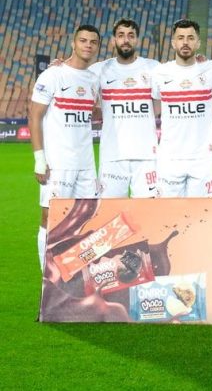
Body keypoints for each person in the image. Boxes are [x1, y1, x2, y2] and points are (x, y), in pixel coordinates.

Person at [29, 24, 101, 269]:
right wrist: (40, 159)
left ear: (97, 47)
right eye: (83, 40)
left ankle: (76, 273)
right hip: (58, 163)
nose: (88, 45)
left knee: (86, 219)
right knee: (50, 218)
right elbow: (34, 116)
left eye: (93, 42)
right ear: (73, 43)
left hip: (86, 164)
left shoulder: (93, 79)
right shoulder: (53, 75)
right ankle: (47, 276)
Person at [90, 18, 160, 198]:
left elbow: (160, 104)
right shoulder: (99, 70)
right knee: (110, 211)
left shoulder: (154, 68)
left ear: (137, 40)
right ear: (113, 40)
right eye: (121, 35)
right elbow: (73, 75)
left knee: (149, 209)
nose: (126, 40)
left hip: (146, 156)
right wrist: (61, 65)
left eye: (131, 35)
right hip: (112, 156)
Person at [151, 19, 212, 197]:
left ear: (198, 43)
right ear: (173, 43)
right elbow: (155, 107)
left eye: (190, 38)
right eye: (180, 38)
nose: (185, 42)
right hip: (170, 157)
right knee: (168, 211)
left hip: (203, 157)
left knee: (204, 211)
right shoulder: (160, 73)